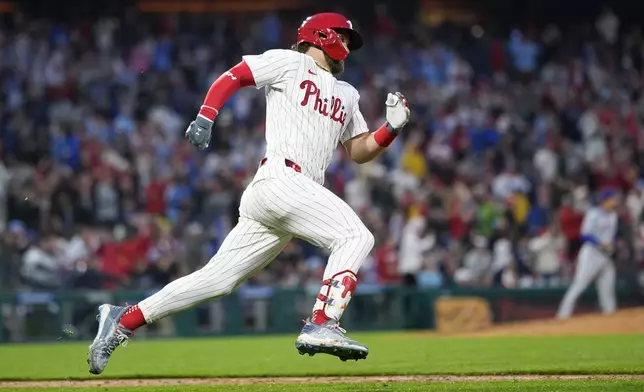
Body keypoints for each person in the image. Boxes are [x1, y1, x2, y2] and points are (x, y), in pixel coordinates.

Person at [87, 13, 411, 374]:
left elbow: (359, 151)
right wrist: (206, 116)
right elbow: (234, 76)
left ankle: (122, 320)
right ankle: (322, 322)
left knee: (218, 280)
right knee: (355, 236)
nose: (348, 46)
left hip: (290, 194)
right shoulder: (292, 62)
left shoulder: (348, 94)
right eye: (344, 37)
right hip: (280, 179)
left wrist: (391, 130)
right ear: (321, 35)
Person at [556, 188, 619, 319]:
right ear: (605, 201)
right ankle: (562, 315)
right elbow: (584, 234)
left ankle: (610, 316)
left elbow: (611, 235)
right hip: (591, 254)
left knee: (608, 288)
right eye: (612, 199)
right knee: (580, 284)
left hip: (606, 255)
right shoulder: (593, 213)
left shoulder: (613, 216)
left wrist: (613, 243)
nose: (615, 201)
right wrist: (599, 243)